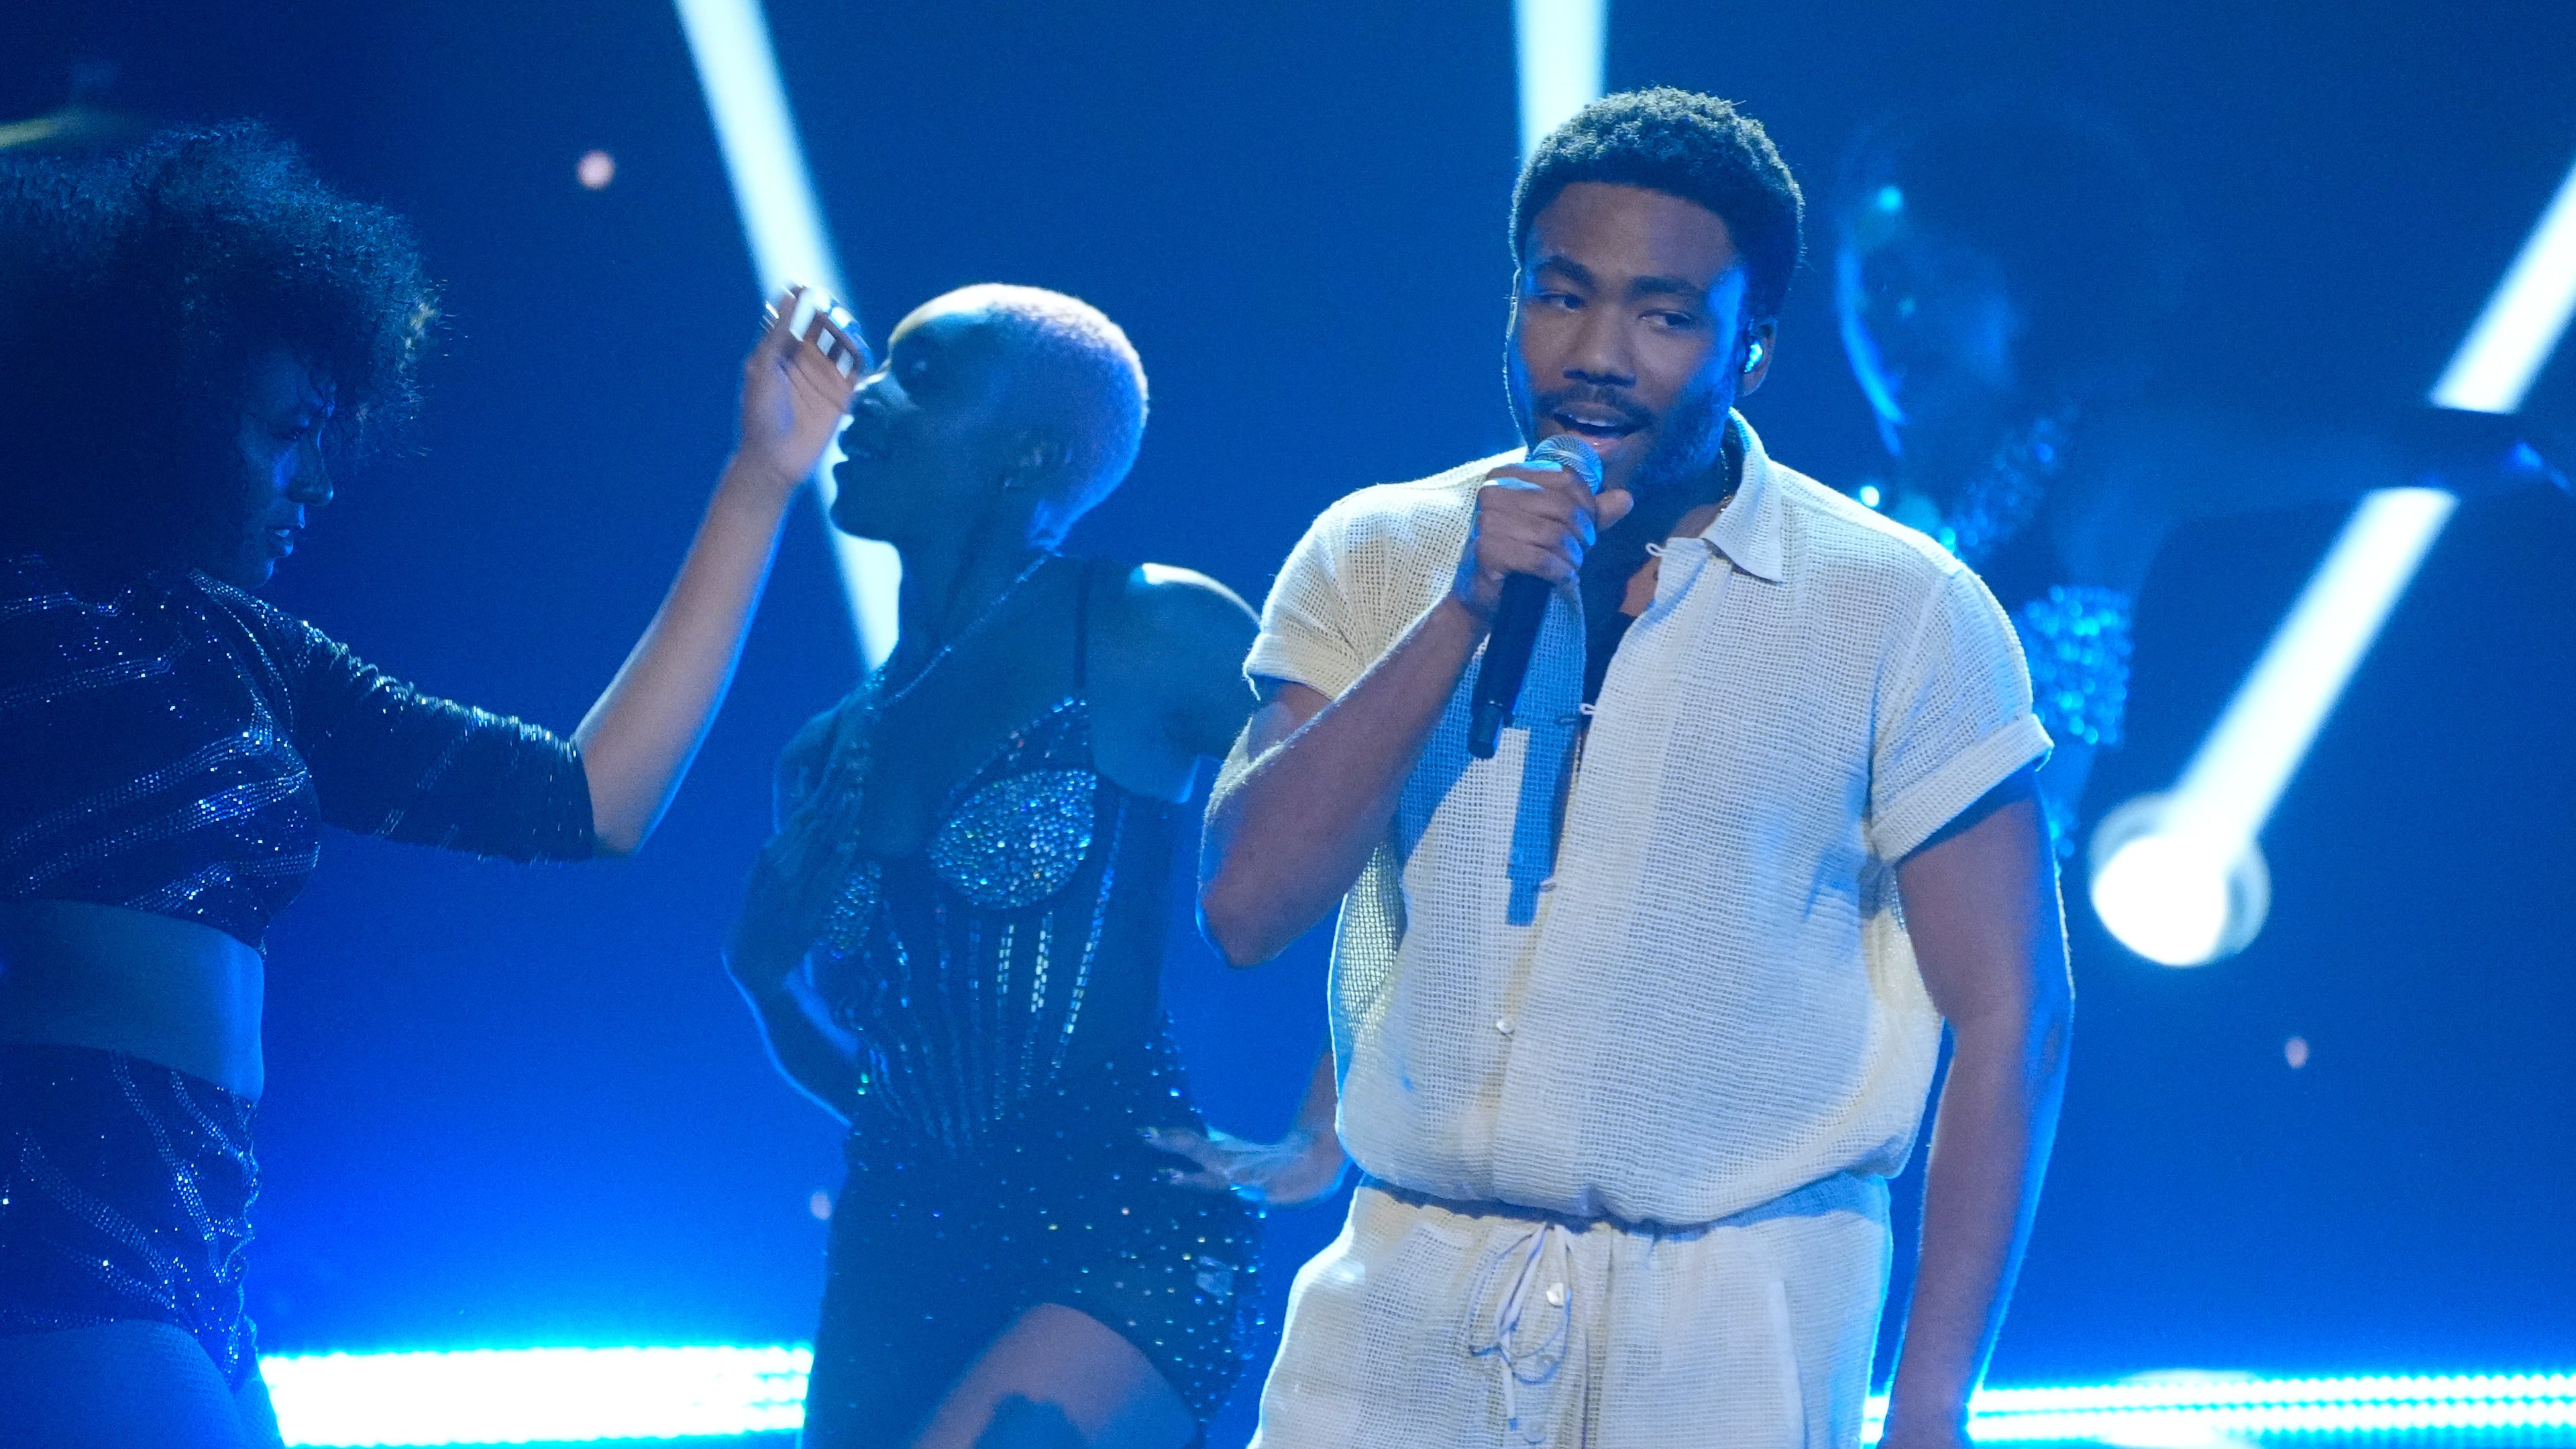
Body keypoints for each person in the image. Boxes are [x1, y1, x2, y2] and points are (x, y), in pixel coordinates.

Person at [1201, 88, 2074, 1449]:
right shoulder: (1379, 550)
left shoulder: (1900, 607)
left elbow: (2014, 1012)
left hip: (1731, 1335)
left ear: (1753, 348)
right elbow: (1247, 908)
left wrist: (1930, 1409)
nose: (1598, 354)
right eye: (1562, 297)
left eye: (1664, 317)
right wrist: (1463, 606)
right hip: (1397, 1320)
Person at [0, 123, 861, 1448]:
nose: (317, 479)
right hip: (56, 1269)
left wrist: (761, 478)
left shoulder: (254, 653)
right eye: (287, 432)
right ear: (155, 412)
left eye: (331, 435)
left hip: (202, 1274)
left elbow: (591, 803)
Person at [722, 283, 1342, 1448]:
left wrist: (1326, 1128)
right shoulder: (824, 755)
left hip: (1123, 1234)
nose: (867, 401)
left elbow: (1391, 835)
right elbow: (887, 1083)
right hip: (897, 1255)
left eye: (922, 378)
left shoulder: (1143, 628)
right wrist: (765, 992)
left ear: (1032, 455)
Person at [1831, 101, 2567, 850]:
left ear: (2023, 292)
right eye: (1881, 280)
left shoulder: (2109, 468)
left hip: (1979, 917)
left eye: (1951, 272)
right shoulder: (1839, 530)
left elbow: (2402, 448)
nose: (1907, 309)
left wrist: (2541, 440)